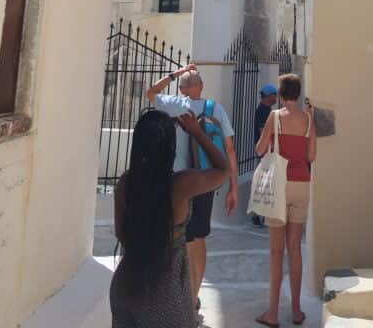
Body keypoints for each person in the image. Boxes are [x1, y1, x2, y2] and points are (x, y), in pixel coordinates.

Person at [110, 108, 228, 328]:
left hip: (126, 284)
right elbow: (223, 170)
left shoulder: (125, 184)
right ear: (169, 147)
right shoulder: (181, 184)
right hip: (165, 290)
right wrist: (196, 132)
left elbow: (120, 232)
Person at [147, 62, 238, 317]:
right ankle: (194, 296)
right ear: (202, 86)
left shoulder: (175, 104)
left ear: (182, 87)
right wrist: (233, 187)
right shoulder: (215, 108)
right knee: (199, 239)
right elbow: (229, 149)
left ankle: (182, 299)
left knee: (181, 239)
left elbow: (150, 93)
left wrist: (175, 72)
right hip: (207, 180)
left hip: (180, 182)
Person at [254, 73, 316, 328]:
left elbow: (259, 149)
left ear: (280, 94)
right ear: (298, 94)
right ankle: (297, 310)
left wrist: (269, 146)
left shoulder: (275, 116)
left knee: (276, 251)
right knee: (294, 249)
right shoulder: (308, 120)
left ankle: (272, 313)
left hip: (279, 187)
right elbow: (311, 156)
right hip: (302, 184)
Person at [252, 84, 278, 227]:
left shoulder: (266, 110)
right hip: (265, 152)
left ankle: (260, 215)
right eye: (275, 94)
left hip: (265, 152)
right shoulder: (264, 111)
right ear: (269, 96)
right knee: (263, 184)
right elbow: (263, 132)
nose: (276, 97)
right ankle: (258, 216)